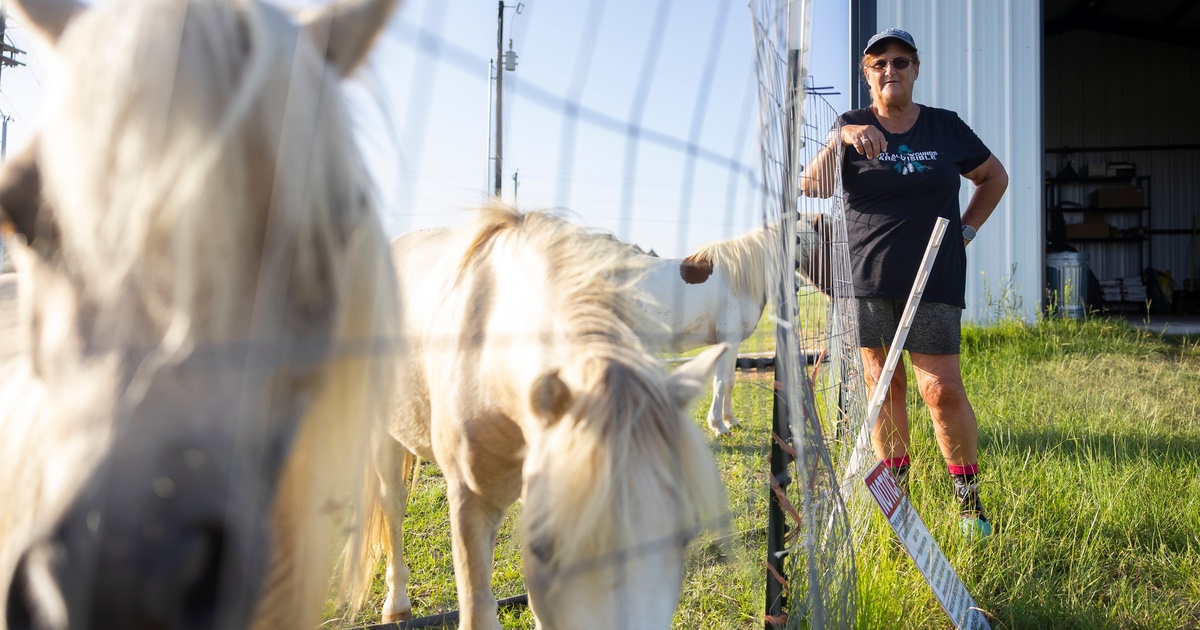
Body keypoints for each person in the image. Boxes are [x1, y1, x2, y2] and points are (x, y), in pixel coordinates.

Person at [801, 28, 1009, 538]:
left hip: (934, 276)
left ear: (916, 70)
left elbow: (994, 177)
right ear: (865, 74)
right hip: (866, 279)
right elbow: (812, 186)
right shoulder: (851, 126)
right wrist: (841, 135)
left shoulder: (945, 128)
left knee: (940, 390)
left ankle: (969, 507)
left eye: (900, 61)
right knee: (882, 386)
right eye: (879, 63)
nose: (889, 70)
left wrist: (966, 230)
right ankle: (898, 510)